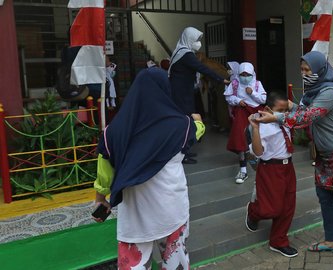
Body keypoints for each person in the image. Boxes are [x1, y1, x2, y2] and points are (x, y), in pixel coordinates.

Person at [256, 51, 333, 270]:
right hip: (326, 154)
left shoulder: (330, 92)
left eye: (308, 70)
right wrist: (290, 106)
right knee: (325, 198)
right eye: (302, 70)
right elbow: (306, 111)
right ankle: (332, 239)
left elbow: (309, 117)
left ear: (320, 70)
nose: (305, 74)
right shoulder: (316, 91)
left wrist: (278, 116)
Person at [92, 68, 206, 269]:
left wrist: (101, 200)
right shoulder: (181, 125)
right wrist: (197, 121)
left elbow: (104, 176)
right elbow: (197, 131)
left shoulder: (113, 132)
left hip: (135, 218)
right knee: (175, 262)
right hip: (173, 211)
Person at [245, 92, 298, 257]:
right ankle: (253, 211)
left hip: (288, 167)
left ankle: (278, 241)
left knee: (288, 207)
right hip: (270, 169)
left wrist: (290, 107)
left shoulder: (287, 121)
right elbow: (258, 152)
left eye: (285, 110)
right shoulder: (262, 126)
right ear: (267, 109)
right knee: (271, 209)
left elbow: (302, 113)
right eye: (279, 110)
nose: (283, 113)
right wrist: (255, 128)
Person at [169, 26, 229, 164]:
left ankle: (185, 150)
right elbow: (203, 68)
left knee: (186, 121)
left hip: (182, 93)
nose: (198, 43)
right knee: (184, 123)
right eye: (196, 40)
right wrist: (222, 79)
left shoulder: (180, 51)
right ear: (189, 39)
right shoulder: (186, 54)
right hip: (181, 95)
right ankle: (182, 153)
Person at [224, 62, 267, 184]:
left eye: (247, 74)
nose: (244, 76)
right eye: (242, 74)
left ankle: (263, 168)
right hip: (242, 112)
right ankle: (243, 170)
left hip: (255, 112)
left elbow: (263, 99)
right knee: (240, 137)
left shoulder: (257, 84)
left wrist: (252, 93)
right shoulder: (235, 83)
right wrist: (238, 100)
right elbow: (228, 97)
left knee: (261, 138)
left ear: (252, 74)